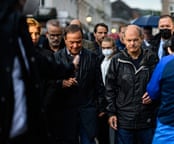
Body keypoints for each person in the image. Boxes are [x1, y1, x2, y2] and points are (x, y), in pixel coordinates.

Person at [0, 0, 79, 144]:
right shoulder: (6, 24)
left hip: (25, 130)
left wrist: (69, 68)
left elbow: (36, 61)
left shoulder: (18, 24)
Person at [105, 24, 159, 144]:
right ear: (123, 40)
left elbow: (159, 82)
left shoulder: (151, 58)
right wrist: (111, 113)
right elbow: (110, 88)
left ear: (141, 39)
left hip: (146, 117)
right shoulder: (117, 60)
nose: (132, 43)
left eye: (135, 40)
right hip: (124, 118)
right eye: (129, 40)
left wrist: (153, 95)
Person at [52, 24, 104, 144]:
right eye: (72, 42)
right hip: (65, 113)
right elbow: (49, 83)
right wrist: (61, 83)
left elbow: (99, 84)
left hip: (87, 112)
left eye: (79, 42)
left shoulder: (92, 57)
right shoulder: (56, 58)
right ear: (65, 40)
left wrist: (100, 107)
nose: (75, 46)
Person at [99, 36, 118, 144]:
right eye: (103, 48)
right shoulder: (101, 60)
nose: (106, 50)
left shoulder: (117, 60)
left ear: (114, 48)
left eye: (108, 47)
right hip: (104, 98)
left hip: (113, 98)